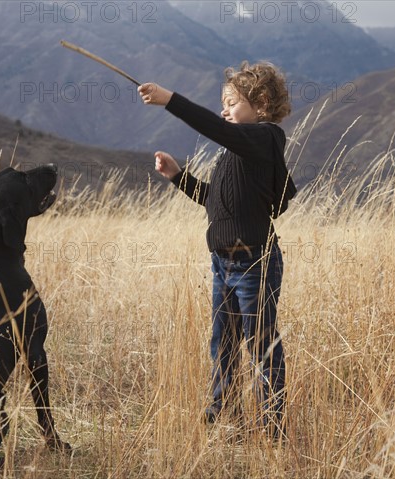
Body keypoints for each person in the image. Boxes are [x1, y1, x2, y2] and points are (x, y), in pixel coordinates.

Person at [138, 61, 296, 439]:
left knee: (260, 346)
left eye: (230, 102)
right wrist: (179, 177)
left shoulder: (264, 138)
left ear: (260, 103)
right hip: (222, 262)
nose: (224, 110)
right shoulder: (234, 154)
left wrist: (169, 100)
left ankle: (272, 425)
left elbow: (216, 127)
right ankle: (223, 409)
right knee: (222, 342)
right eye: (222, 104)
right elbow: (215, 204)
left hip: (254, 262)